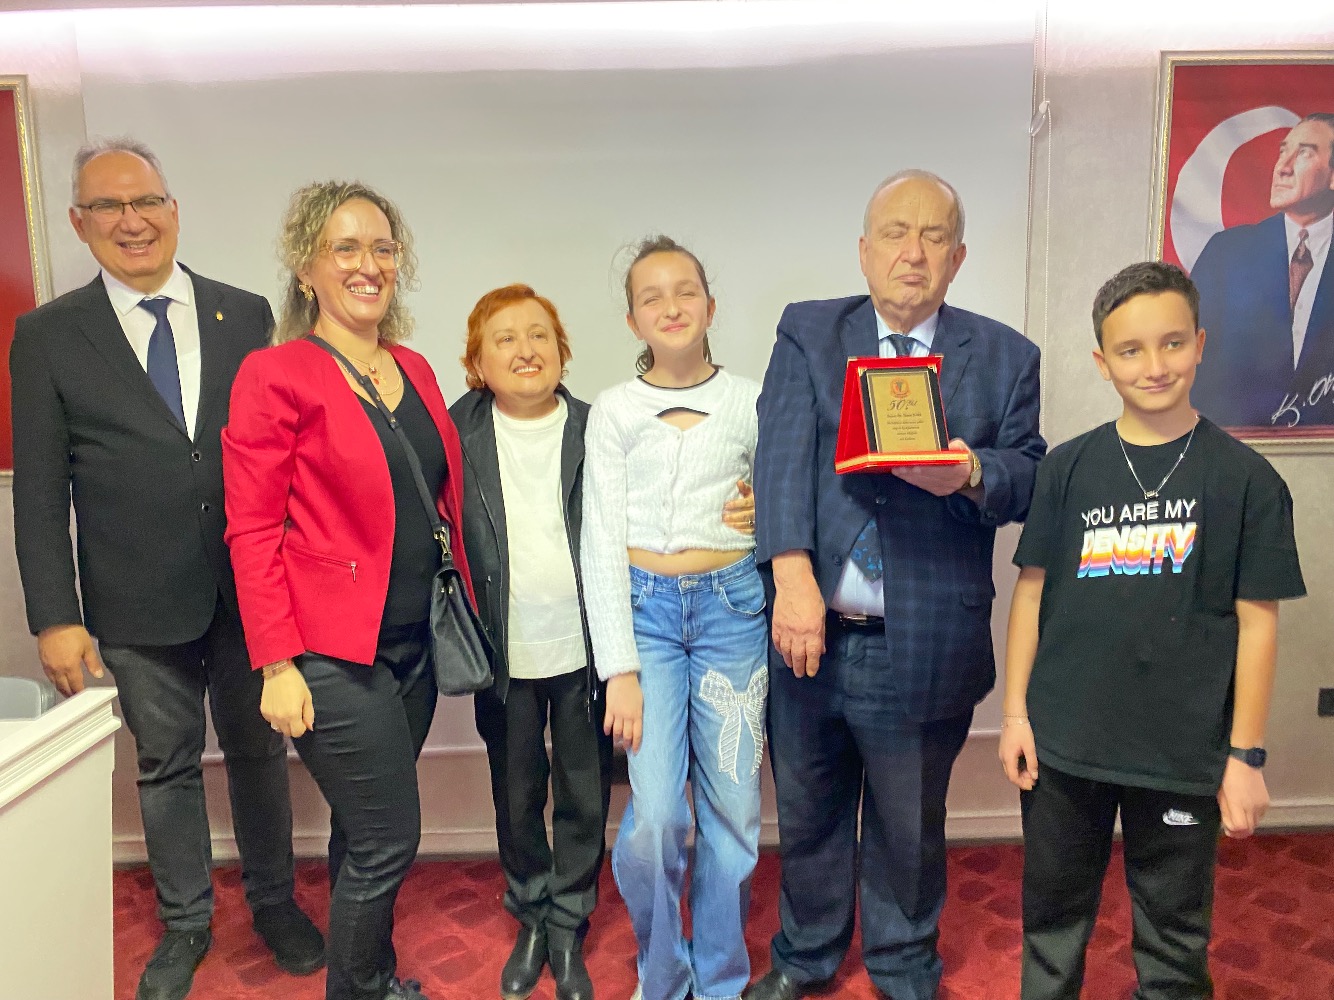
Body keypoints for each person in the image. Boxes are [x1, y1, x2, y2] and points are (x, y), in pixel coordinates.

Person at [9, 138, 323, 1000]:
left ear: (173, 210)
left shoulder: (245, 313)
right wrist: (55, 616)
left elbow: (285, 453)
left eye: (145, 201)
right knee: (167, 762)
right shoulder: (47, 336)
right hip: (134, 596)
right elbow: (39, 489)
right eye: (108, 206)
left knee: (259, 750)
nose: (131, 220)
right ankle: (186, 922)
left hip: (250, 589)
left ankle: (274, 902)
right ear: (79, 222)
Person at [748, 170, 1046, 1000]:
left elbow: (1030, 474)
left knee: (909, 823)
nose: (912, 252)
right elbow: (779, 462)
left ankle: (903, 960)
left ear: (958, 258)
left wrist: (971, 474)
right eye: (894, 232)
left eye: (933, 236)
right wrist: (792, 580)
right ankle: (805, 954)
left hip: (923, 635)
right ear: (864, 249)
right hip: (811, 629)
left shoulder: (1006, 356)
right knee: (808, 810)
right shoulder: (810, 332)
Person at [999, 260, 1306, 999]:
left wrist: (1246, 755)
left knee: (1174, 936)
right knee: (1052, 921)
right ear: (1102, 362)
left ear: (1200, 344)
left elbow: (1258, 627)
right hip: (1065, 741)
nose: (1154, 365)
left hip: (1182, 749)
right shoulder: (1066, 470)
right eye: (1130, 350)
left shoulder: (1248, 482)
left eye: (1171, 343)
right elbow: (1031, 595)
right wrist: (1014, 716)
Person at [222, 180, 472, 1000]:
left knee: (360, 833)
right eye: (346, 247)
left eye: (383, 248)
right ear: (307, 268)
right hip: (329, 654)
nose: (369, 264)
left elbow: (439, 496)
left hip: (413, 647)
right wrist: (276, 664)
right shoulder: (275, 373)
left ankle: (371, 976)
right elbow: (252, 529)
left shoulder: (414, 368)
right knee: (388, 840)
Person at [581, 236, 766, 1000]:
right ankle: (663, 974)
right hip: (645, 617)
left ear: (711, 306)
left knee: (734, 814)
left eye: (686, 291)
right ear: (632, 320)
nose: (671, 306)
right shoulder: (614, 410)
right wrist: (618, 668)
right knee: (656, 814)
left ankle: (720, 979)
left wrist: (761, 511)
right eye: (651, 296)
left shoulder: (752, 401)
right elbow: (599, 539)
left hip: (733, 611)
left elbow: (789, 503)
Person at [450, 284, 613, 1000]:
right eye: (506, 338)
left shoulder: (598, 426)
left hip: (586, 647)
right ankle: (532, 913)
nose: (526, 350)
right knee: (516, 793)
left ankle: (570, 919)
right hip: (501, 652)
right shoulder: (452, 434)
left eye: (540, 335)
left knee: (584, 791)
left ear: (562, 351)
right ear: (478, 363)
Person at [1189, 112, 1334, 429]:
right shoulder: (1225, 253)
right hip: (1235, 448)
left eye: (1304, 153)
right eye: (1283, 151)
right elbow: (1191, 362)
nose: (1282, 167)